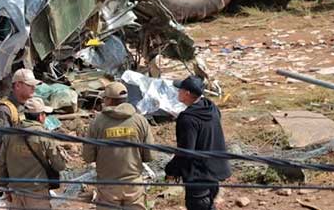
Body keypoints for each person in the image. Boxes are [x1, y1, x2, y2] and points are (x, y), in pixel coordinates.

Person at [83, 82, 154, 210]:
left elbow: (88, 157)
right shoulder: (140, 121)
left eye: (104, 98)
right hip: (133, 185)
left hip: (108, 186)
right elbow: (150, 155)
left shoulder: (97, 123)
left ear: (109, 100)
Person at [165, 76, 231, 210]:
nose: (178, 92)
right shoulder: (211, 107)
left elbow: (186, 151)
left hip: (198, 177)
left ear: (187, 93)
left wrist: (171, 170)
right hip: (214, 173)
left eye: (180, 90)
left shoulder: (188, 119)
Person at [0, 97, 66, 209]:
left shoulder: (10, 134)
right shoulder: (44, 136)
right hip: (37, 192)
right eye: (44, 114)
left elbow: (1, 163)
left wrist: (4, 187)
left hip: (15, 191)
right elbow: (59, 165)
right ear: (40, 116)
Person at [0, 68, 39, 157]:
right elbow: (1, 147)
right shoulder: (4, 111)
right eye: (30, 85)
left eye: (34, 85)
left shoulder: (24, 106)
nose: (34, 88)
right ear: (17, 86)